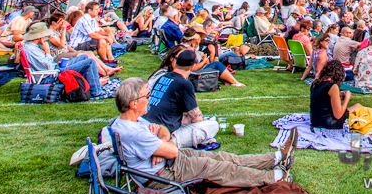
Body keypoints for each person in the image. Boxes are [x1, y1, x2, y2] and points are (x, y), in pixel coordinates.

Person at [110, 78, 295, 187]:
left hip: (167, 163)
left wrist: (161, 142)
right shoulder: (135, 132)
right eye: (147, 96)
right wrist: (162, 145)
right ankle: (275, 178)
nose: (150, 99)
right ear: (134, 103)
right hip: (162, 175)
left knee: (222, 157)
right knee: (221, 168)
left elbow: (164, 132)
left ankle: (276, 158)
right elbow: (171, 150)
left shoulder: (128, 121)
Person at [144, 49, 219, 149]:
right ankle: (168, 145)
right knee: (212, 125)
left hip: (147, 126)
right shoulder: (184, 84)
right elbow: (196, 119)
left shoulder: (163, 77)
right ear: (193, 67)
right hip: (165, 134)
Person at [23, 22, 105, 95]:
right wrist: (47, 51)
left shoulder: (31, 47)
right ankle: (96, 91)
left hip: (52, 70)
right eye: (44, 36)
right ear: (39, 37)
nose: (45, 37)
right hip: (51, 75)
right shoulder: (32, 50)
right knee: (90, 62)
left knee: (83, 56)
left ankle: (87, 85)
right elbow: (47, 67)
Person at [310, 61, 372, 129]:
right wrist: (347, 99)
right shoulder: (332, 86)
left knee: (357, 107)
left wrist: (338, 96)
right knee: (357, 109)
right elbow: (338, 115)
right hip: (329, 123)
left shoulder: (315, 83)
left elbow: (322, 100)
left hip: (316, 121)